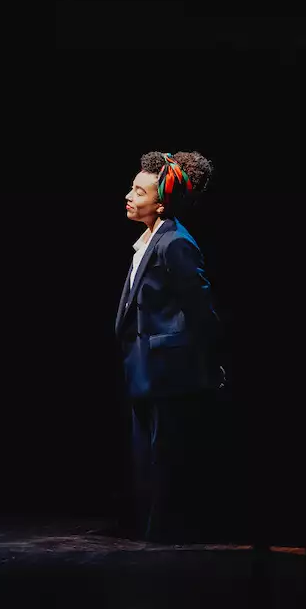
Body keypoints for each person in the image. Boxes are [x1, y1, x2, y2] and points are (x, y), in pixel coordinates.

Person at [116, 151, 222, 542]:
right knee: (147, 455)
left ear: (160, 204)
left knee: (166, 456)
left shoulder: (175, 243)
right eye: (131, 187)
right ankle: (152, 528)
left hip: (168, 368)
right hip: (145, 365)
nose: (129, 196)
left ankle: (168, 532)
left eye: (139, 191)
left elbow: (200, 307)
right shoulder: (148, 241)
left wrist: (207, 359)